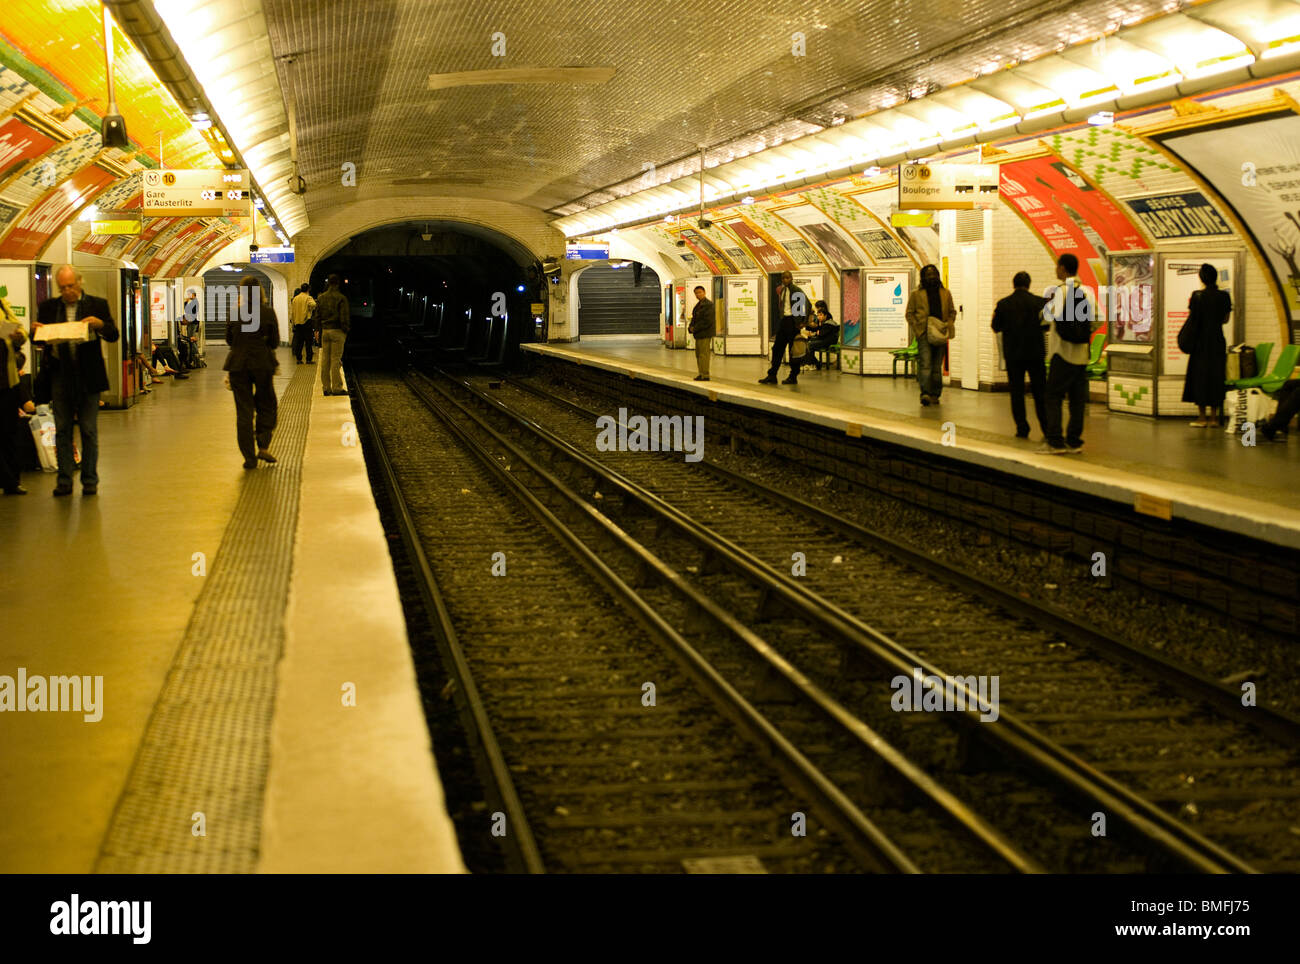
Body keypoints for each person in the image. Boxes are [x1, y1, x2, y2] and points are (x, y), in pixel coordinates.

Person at [33, 265, 119, 496]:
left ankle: (90, 479)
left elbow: (113, 334)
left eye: (71, 286)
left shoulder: (96, 304)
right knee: (62, 429)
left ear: (80, 282)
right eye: (63, 288)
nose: (68, 291)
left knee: (89, 430)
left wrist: (99, 325)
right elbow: (38, 341)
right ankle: (64, 480)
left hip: (88, 375)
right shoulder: (49, 307)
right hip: (60, 376)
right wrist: (36, 332)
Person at [1039, 253, 1097, 454]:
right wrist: (1083, 332)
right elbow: (1097, 319)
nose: (1056, 270)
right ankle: (1074, 441)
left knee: (1053, 396)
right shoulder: (1087, 292)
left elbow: (1045, 319)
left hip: (1061, 353)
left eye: (1057, 266)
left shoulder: (1061, 292)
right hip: (1081, 355)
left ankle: (1055, 441)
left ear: (1063, 268)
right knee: (1077, 400)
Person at [224, 276, 280, 469]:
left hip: (238, 366)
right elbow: (274, 342)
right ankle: (263, 446)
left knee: (244, 412)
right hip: (262, 364)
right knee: (267, 404)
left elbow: (229, 340)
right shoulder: (267, 312)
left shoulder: (235, 313)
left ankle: (249, 458)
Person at [991, 272, 1049, 438]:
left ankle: (1022, 428)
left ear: (1013, 284)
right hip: (1036, 354)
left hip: (1014, 355)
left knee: (1017, 392)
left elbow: (996, 326)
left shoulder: (1003, 304)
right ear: (1029, 284)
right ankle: (1046, 427)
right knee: (1040, 392)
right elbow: (1046, 326)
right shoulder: (1040, 303)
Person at [1181, 263, 1231, 428]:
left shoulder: (1197, 296)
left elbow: (1193, 319)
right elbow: (1225, 320)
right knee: (1216, 376)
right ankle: (1214, 418)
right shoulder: (1224, 297)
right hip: (1217, 340)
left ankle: (1202, 417)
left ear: (1202, 278)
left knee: (1200, 377)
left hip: (1200, 342)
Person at [905, 264, 956, 406]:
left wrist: (949, 324)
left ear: (938, 275)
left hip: (940, 333)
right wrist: (917, 329)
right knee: (925, 364)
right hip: (924, 334)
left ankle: (935, 394)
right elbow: (909, 313)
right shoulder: (916, 294)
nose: (931, 276)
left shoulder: (946, 293)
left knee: (936, 366)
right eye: (928, 274)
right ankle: (925, 393)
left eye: (933, 274)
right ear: (923, 277)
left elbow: (952, 311)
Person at [759, 271, 808, 386]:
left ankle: (793, 376)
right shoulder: (782, 290)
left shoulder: (796, 290)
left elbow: (805, 305)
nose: (785, 280)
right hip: (784, 321)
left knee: (793, 351)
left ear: (791, 278)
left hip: (792, 322)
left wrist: (801, 322)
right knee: (777, 348)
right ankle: (772, 375)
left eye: (787, 278)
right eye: (783, 278)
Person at [0, 305, 27, 494]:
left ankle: (11, 481)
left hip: (7, 381)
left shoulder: (2, 302)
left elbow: (21, 331)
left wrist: (19, 336)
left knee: (9, 431)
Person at [315, 274, 350, 396]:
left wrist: (317, 330)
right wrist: (345, 330)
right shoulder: (341, 298)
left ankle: (326, 388)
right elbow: (344, 317)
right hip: (337, 331)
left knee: (325, 359)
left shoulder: (321, 298)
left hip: (325, 331)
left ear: (328, 283)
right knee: (335, 359)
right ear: (338, 283)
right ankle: (336, 388)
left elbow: (317, 316)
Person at [688, 285, 714, 381]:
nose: (698, 294)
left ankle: (705, 375)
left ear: (704, 292)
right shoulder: (698, 305)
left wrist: (695, 328)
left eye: (700, 292)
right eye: (696, 293)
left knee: (704, 355)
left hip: (705, 333)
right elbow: (694, 318)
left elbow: (707, 321)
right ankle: (701, 373)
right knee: (698, 354)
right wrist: (690, 327)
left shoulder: (709, 305)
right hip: (699, 334)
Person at [805, 301, 840, 370]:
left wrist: (818, 332)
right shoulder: (823, 321)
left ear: (825, 315)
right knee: (807, 342)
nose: (818, 317)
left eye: (820, 315)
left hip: (828, 340)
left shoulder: (829, 322)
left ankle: (814, 364)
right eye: (818, 315)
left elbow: (821, 333)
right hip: (824, 338)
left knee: (810, 345)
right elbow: (819, 331)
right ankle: (813, 363)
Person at [290, 283, 317, 364]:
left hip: (297, 322)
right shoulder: (308, 297)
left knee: (299, 342)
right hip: (306, 321)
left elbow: (293, 311)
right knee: (308, 342)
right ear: (308, 289)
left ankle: (299, 359)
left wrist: (293, 322)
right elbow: (314, 304)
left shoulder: (295, 299)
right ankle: (308, 359)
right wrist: (310, 308)